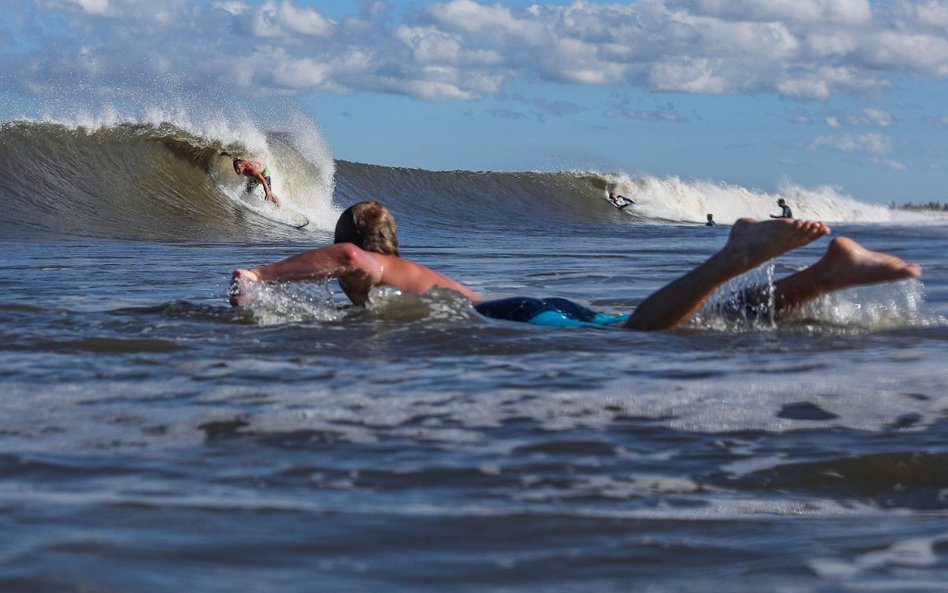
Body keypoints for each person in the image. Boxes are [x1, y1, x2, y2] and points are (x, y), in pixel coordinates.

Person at [229, 201, 922, 331]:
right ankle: (823, 274)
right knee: (681, 326)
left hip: (517, 316)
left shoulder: (368, 268)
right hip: (530, 309)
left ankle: (734, 255)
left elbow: (347, 256)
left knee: (648, 332)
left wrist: (258, 277)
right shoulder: (407, 270)